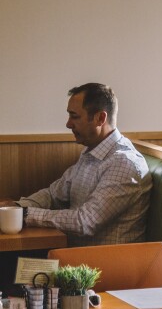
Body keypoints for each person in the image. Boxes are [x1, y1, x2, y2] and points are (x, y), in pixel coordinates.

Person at [9, 83, 152, 246]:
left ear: (100, 118)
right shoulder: (91, 151)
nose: (68, 124)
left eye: (74, 116)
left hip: (103, 266)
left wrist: (24, 214)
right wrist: (15, 207)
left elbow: (86, 222)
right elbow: (54, 194)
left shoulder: (124, 163)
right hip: (77, 259)